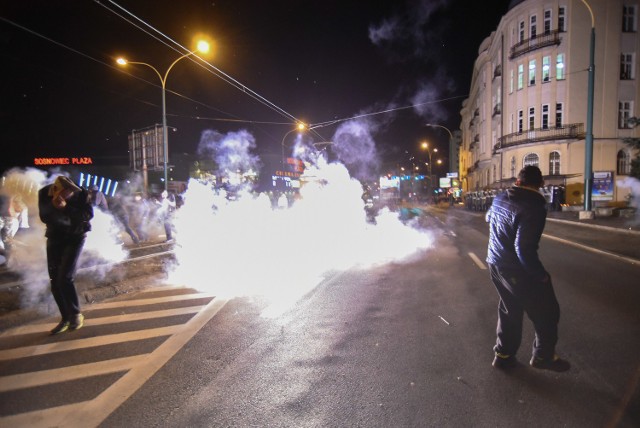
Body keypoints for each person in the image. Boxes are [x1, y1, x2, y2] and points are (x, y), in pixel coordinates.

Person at [485, 165, 570, 372]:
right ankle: (543, 356)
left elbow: (488, 218)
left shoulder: (501, 197)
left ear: (518, 181)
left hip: (494, 262)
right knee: (547, 311)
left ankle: (503, 356)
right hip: (515, 269)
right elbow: (523, 248)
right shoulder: (534, 206)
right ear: (540, 184)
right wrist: (540, 275)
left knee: (510, 309)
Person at [38, 176, 93, 335]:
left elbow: (87, 215)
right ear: (56, 190)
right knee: (55, 280)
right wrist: (55, 206)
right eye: (67, 192)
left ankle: (76, 314)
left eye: (71, 191)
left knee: (65, 277)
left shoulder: (81, 193)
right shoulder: (44, 193)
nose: (71, 194)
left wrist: (65, 208)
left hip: (76, 237)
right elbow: (44, 217)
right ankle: (65, 318)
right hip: (55, 238)